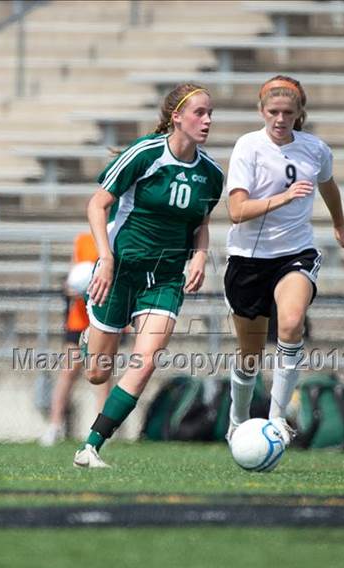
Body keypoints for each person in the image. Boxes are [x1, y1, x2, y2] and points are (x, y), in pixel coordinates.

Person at [73, 83, 224, 468]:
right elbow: (98, 203)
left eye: (210, 113)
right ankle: (89, 339)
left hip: (166, 278)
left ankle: (92, 446)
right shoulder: (145, 153)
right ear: (177, 118)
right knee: (95, 374)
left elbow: (200, 222)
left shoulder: (210, 173)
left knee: (146, 359)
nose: (207, 120)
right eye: (199, 113)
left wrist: (200, 256)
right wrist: (104, 258)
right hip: (121, 269)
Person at [224, 75, 344, 447]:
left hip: (295, 253)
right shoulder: (248, 147)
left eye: (287, 112)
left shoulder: (315, 149)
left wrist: (340, 224)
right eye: (273, 112)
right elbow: (236, 211)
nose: (280, 119)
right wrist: (283, 198)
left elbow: (328, 184)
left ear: (300, 113)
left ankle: (277, 419)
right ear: (261, 111)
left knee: (292, 323)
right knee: (249, 356)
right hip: (248, 260)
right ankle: (237, 420)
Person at [40, 232, 111, 446]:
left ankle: (101, 432)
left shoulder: (117, 239)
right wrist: (74, 288)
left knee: (101, 376)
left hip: (103, 318)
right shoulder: (82, 240)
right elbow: (72, 278)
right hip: (79, 319)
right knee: (68, 372)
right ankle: (54, 426)